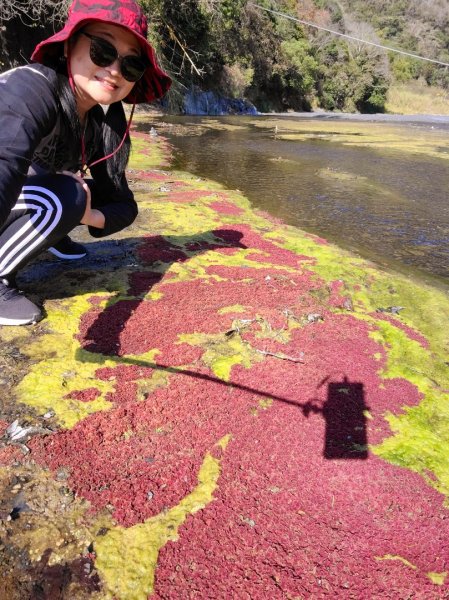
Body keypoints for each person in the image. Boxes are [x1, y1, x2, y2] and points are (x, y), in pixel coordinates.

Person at [0, 0, 171, 325]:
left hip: (31, 191)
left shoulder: (97, 122)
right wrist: (71, 203)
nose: (115, 71)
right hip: (14, 188)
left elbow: (124, 204)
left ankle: (50, 234)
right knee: (66, 194)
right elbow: (4, 167)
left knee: (79, 195)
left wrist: (87, 215)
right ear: (69, 45)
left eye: (131, 65)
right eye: (103, 51)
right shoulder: (29, 90)